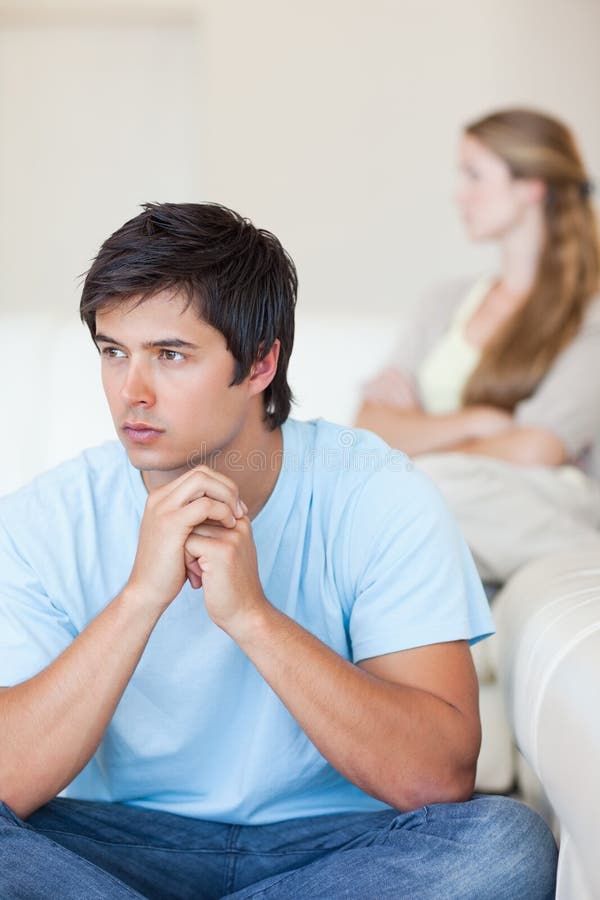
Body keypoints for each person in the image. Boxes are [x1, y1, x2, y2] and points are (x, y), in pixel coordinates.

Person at [0, 203, 556, 899]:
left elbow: (437, 776)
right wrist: (141, 597)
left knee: (504, 844)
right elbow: (9, 780)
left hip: (331, 850)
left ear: (262, 361)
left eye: (170, 355)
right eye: (114, 352)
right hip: (116, 844)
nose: (130, 392)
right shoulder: (46, 519)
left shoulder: (378, 495)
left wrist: (253, 618)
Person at [354, 108, 600, 584]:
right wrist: (481, 421)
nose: (458, 194)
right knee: (396, 491)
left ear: (531, 187)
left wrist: (416, 437)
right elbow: (370, 425)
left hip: (535, 501)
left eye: (474, 175)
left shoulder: (589, 316)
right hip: (446, 496)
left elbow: (539, 449)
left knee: (424, 488)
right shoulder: (443, 301)